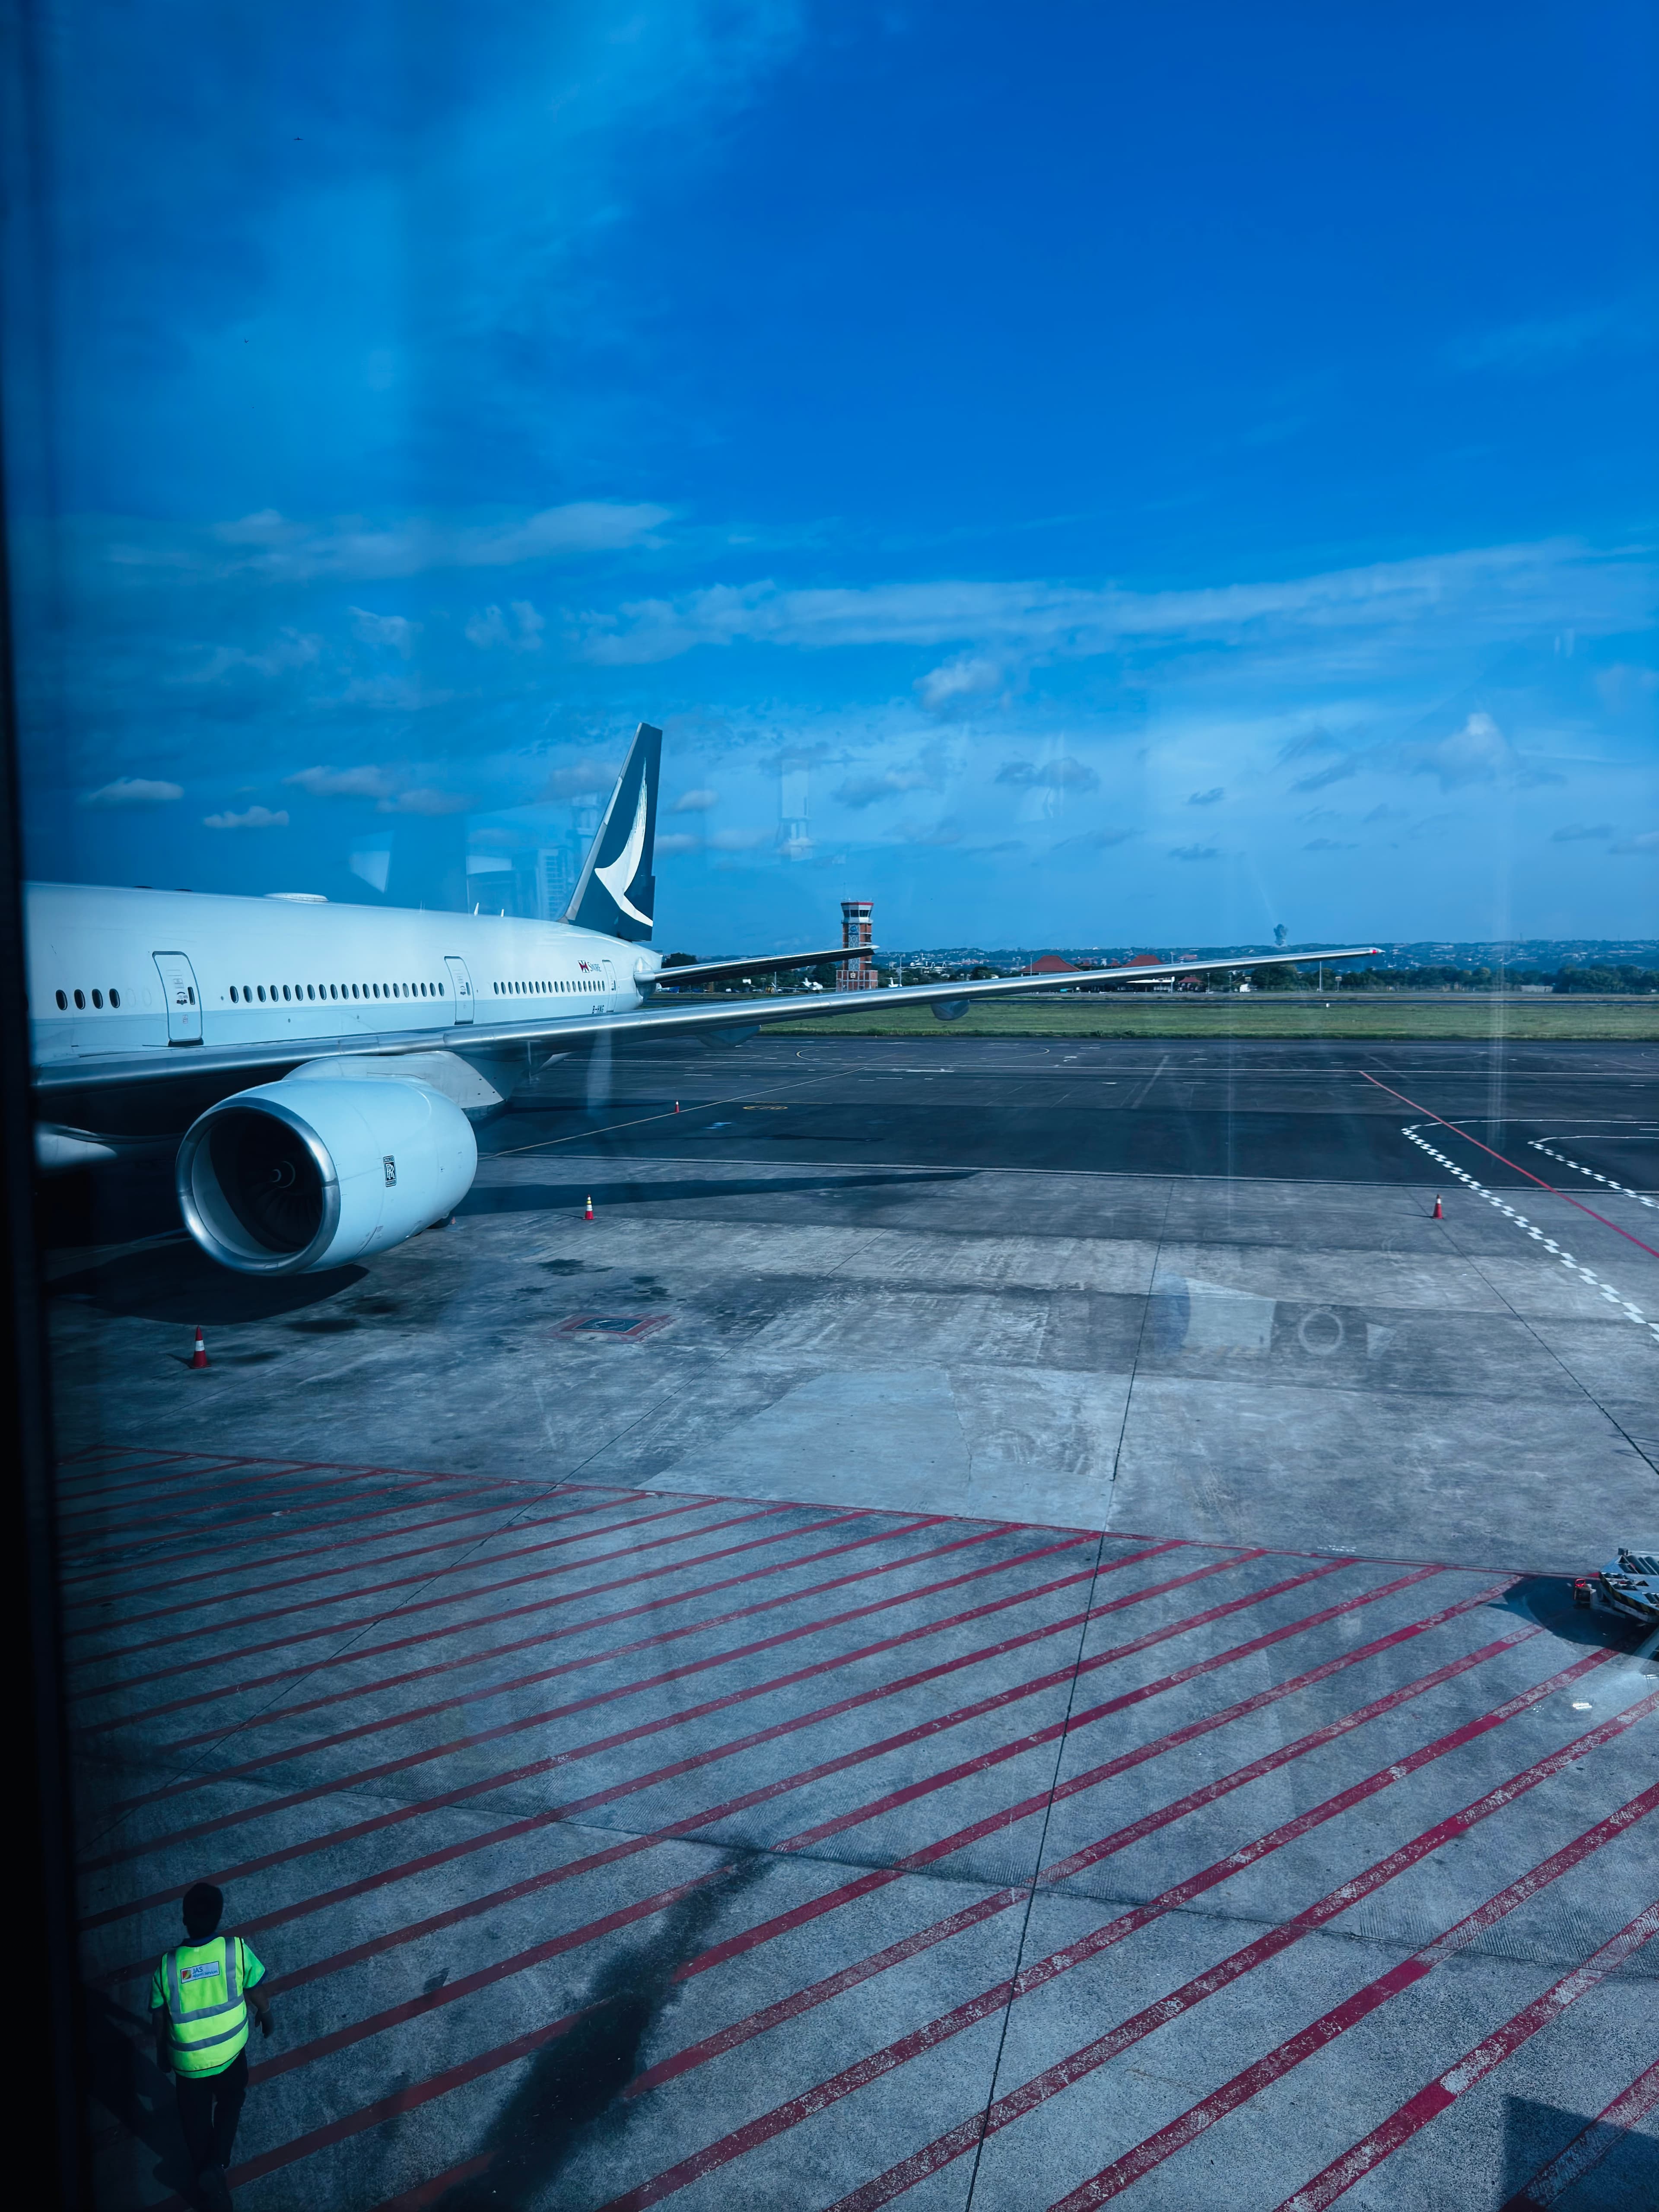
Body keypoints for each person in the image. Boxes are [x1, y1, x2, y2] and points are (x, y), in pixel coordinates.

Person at [150, 1882, 272, 2211]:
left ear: (184, 1919)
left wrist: (163, 2053)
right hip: (231, 2054)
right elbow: (257, 1989)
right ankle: (217, 2165)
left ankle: (207, 2173)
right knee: (232, 2100)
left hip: (188, 2064)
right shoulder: (235, 1949)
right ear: (219, 1918)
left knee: (194, 2119)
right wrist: (266, 2013)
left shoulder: (168, 1965)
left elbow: (159, 2018)